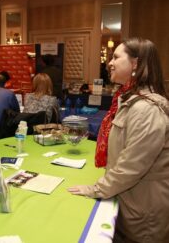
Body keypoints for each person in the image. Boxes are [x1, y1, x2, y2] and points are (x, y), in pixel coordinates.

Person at [68, 38, 169, 242]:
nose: (109, 63)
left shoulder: (146, 109)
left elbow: (132, 166)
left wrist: (95, 189)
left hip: (141, 215)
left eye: (115, 57)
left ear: (135, 64)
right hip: (128, 203)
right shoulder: (128, 100)